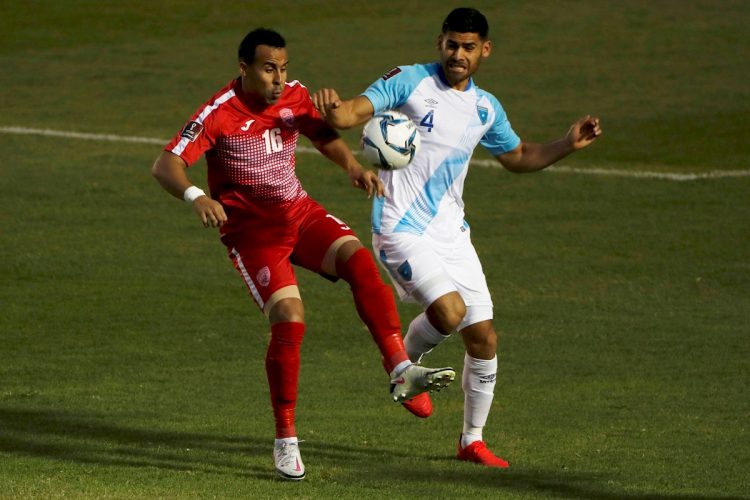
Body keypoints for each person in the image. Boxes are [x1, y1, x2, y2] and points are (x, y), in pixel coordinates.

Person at [151, 28, 457, 481]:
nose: (279, 78)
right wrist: (197, 196)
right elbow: (166, 163)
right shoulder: (218, 114)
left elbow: (320, 132)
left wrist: (352, 166)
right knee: (291, 319)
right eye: (268, 68)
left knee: (358, 261)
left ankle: (400, 369)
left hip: (298, 213)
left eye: (284, 68)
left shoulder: (294, 96)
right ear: (244, 69)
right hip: (254, 235)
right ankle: (285, 438)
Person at [312, 7, 601, 469]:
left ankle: (471, 441)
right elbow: (349, 114)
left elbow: (520, 155)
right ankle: (401, 367)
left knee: (483, 338)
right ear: (439, 43)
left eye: (468, 47)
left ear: (484, 50)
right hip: (399, 225)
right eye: (451, 45)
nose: (458, 55)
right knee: (450, 312)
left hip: (452, 232)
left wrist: (566, 143)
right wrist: (333, 110)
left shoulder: (485, 108)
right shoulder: (408, 81)